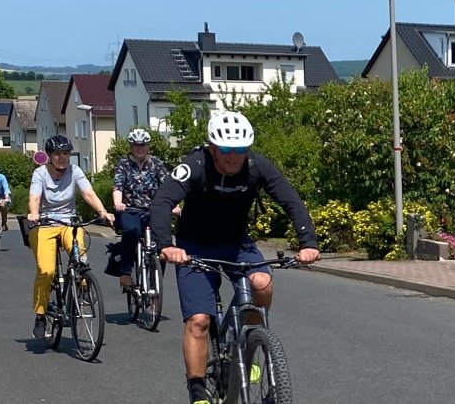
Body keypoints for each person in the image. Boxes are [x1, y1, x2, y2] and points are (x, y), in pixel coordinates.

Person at [150, 111, 321, 404]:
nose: (233, 157)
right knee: (200, 321)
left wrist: (309, 243)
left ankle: (250, 343)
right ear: (212, 147)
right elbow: (163, 201)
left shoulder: (256, 165)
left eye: (240, 150)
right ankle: (198, 392)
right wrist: (167, 245)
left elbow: (290, 200)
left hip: (236, 244)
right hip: (194, 247)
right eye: (227, 150)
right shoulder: (195, 165)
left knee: (263, 284)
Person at [27, 135, 114, 340]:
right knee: (46, 270)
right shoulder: (39, 174)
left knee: (81, 258)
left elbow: (88, 193)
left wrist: (103, 212)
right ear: (49, 156)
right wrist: (34, 213)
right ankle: (40, 315)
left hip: (69, 223)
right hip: (45, 224)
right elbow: (35, 197)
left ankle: (82, 287)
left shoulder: (75, 171)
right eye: (58, 154)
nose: (62, 158)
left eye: (66, 153)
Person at [112, 128, 170, 289]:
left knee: (161, 242)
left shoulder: (156, 163)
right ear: (131, 146)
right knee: (131, 231)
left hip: (154, 210)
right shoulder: (123, 164)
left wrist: (174, 205)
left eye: (143, 145)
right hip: (130, 209)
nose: (140, 148)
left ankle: (155, 282)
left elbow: (168, 186)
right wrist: (118, 203)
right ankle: (125, 272)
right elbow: (118, 186)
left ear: (148, 146)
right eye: (136, 145)